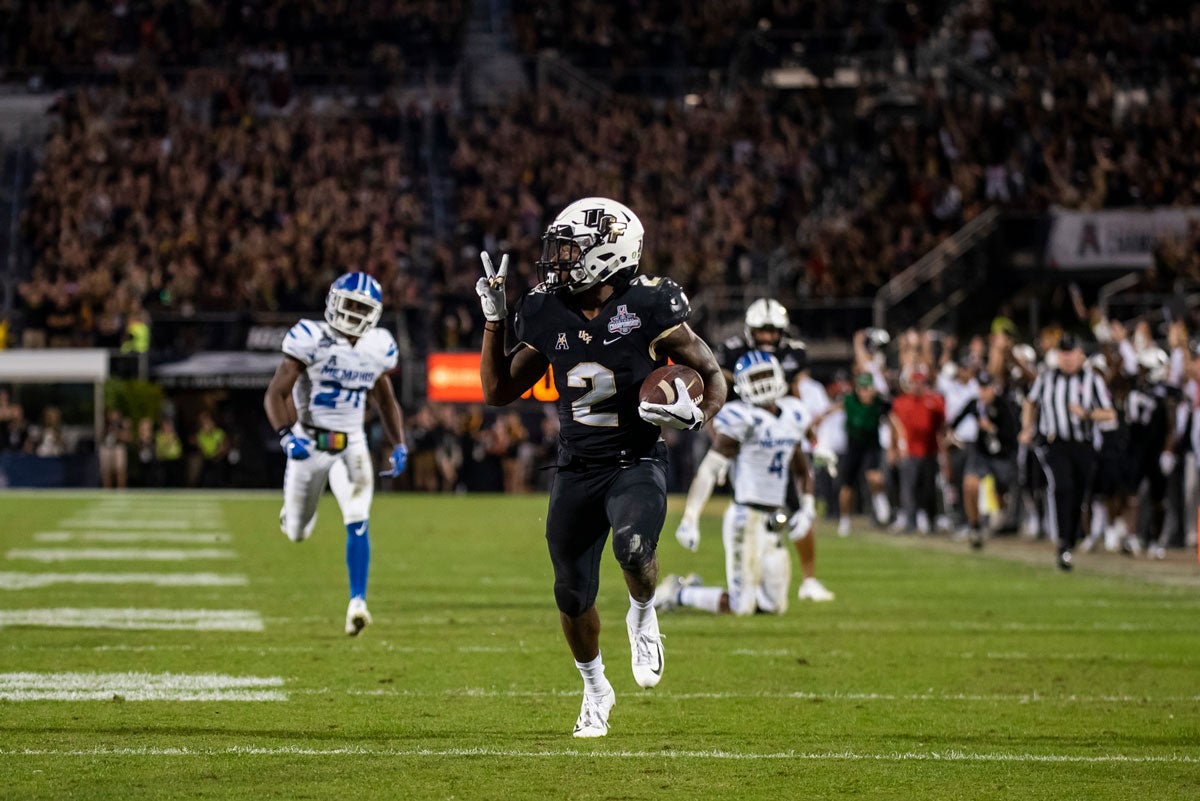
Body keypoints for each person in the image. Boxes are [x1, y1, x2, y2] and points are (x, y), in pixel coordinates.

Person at [476, 197, 726, 738]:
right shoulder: (545, 309)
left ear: (611, 252)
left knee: (634, 548)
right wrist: (495, 323)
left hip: (635, 460)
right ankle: (596, 689)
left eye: (571, 250)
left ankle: (643, 611)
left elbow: (712, 372)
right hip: (575, 470)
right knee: (571, 594)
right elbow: (497, 390)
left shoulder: (651, 304)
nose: (558, 261)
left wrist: (698, 416)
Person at [263, 272, 408, 636]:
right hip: (309, 442)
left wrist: (399, 442)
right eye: (352, 304)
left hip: (352, 442)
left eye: (364, 307)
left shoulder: (378, 346)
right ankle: (292, 518)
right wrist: (285, 435)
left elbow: (386, 400)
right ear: (334, 302)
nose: (356, 313)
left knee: (358, 516)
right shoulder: (311, 338)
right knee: (297, 531)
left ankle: (357, 602)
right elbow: (275, 393)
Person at [660, 350, 834, 617]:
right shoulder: (741, 417)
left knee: (773, 606)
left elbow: (801, 470)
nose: (762, 383)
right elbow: (708, 469)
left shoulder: (793, 414)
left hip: (775, 517)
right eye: (755, 378)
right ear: (742, 385)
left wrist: (807, 508)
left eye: (766, 375)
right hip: (745, 516)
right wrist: (690, 517)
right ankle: (679, 592)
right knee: (742, 607)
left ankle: (688, 590)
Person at [1021, 334, 1116, 571]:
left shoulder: (1092, 380)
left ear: (1080, 354)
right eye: (1063, 353)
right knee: (1062, 486)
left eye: (1070, 352)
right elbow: (1030, 401)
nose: (1067, 358)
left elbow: (1110, 414)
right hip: (1054, 442)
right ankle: (1063, 541)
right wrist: (1027, 428)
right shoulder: (1047, 377)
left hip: (1082, 444)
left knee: (1079, 494)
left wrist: (1086, 414)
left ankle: (1069, 542)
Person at [838, 372, 894, 535]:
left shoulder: (880, 402)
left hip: (871, 444)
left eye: (868, 388)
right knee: (847, 486)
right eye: (862, 388)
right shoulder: (850, 401)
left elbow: (892, 412)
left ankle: (880, 499)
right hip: (854, 445)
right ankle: (844, 520)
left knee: (874, 476)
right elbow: (858, 422)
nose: (866, 392)